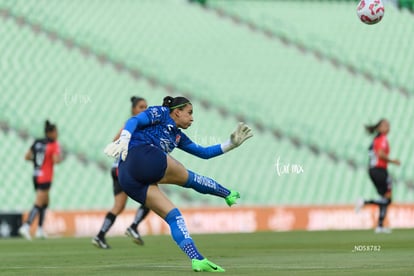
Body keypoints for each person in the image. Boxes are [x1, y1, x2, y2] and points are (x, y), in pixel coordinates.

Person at [104, 96, 253, 272]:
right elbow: (134, 119)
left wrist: (231, 144)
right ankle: (226, 193)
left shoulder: (178, 136)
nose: (192, 118)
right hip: (142, 155)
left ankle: (197, 259)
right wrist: (125, 138)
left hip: (127, 179)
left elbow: (204, 153)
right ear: (177, 111)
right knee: (190, 179)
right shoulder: (161, 113)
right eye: (189, 113)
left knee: (174, 217)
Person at [93, 96, 151, 249]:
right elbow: (115, 141)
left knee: (118, 207)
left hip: (117, 168)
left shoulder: (135, 125)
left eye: (146, 107)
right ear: (133, 110)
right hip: (124, 169)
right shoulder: (133, 124)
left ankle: (100, 236)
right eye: (141, 107)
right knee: (151, 196)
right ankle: (134, 226)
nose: (144, 110)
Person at [355, 119, 400, 233]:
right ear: (379, 128)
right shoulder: (382, 139)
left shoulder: (375, 139)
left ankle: (380, 226)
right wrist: (392, 161)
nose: (388, 127)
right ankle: (364, 202)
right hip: (380, 170)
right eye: (386, 125)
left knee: (384, 198)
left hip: (373, 170)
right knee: (387, 199)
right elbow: (380, 153)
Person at [19, 120, 62, 240]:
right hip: (46, 176)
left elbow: (27, 156)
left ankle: (40, 229)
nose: (57, 134)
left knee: (45, 201)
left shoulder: (37, 142)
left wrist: (37, 163)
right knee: (39, 202)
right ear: (51, 132)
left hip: (36, 174)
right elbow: (56, 160)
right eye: (56, 132)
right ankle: (26, 226)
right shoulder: (53, 144)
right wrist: (61, 157)